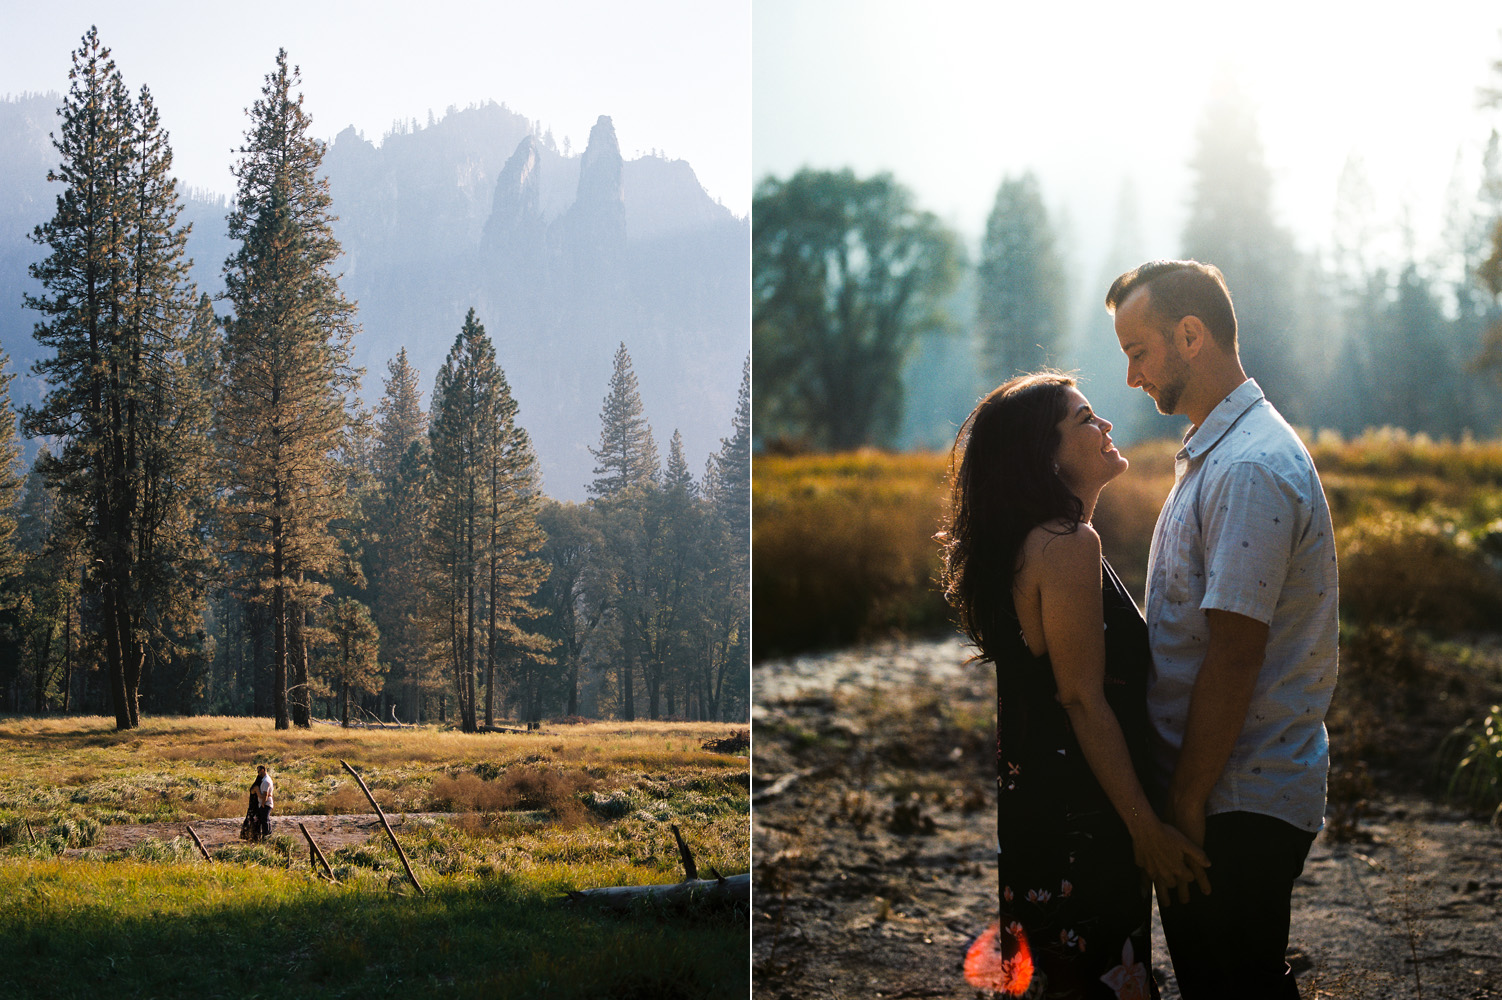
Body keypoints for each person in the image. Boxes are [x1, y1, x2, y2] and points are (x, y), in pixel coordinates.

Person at [1105, 260, 1338, 1000]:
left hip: (1232, 801)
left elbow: (1236, 655)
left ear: (1191, 335)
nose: (1133, 377)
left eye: (1138, 351)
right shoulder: (1217, 452)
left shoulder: (1248, 468)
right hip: (1220, 793)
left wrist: (1182, 804)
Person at [940, 371, 1209, 999]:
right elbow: (1083, 700)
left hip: (1047, 816)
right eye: (1085, 419)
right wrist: (1146, 827)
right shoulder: (1065, 543)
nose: (1106, 425)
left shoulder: (1033, 542)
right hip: (1082, 823)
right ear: (1046, 454)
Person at [252, 764, 274, 841]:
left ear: (262, 770)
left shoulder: (266, 781)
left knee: (265, 820)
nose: (258, 773)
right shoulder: (265, 779)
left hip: (266, 803)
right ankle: (267, 835)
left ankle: (266, 836)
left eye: (258, 771)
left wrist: (263, 804)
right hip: (266, 803)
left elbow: (265, 794)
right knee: (265, 820)